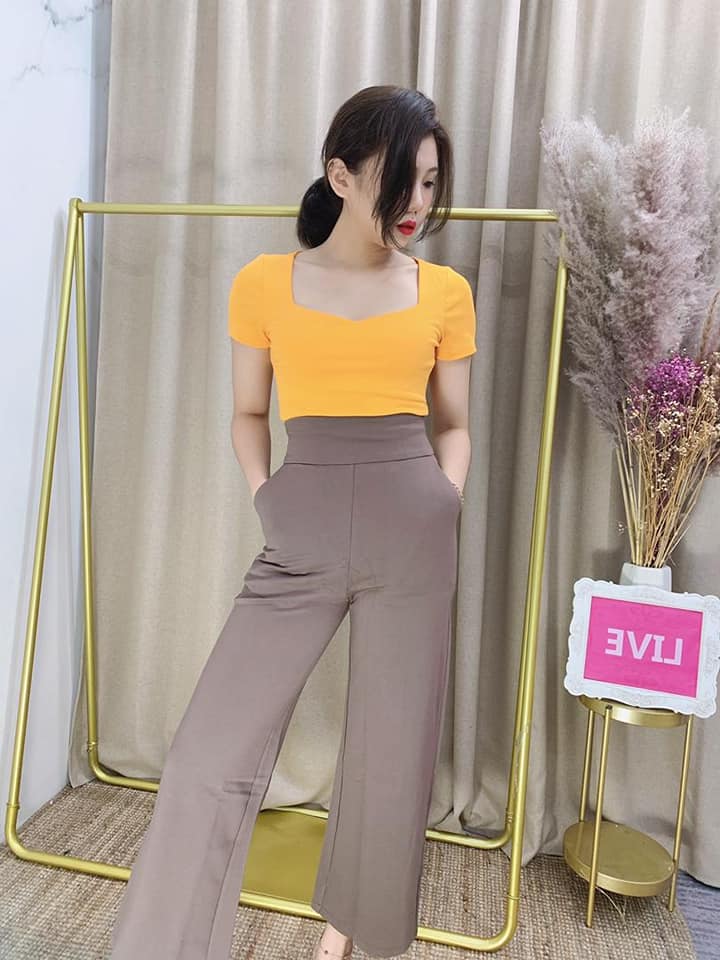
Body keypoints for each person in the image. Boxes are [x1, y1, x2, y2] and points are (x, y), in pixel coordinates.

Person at [109, 83, 476, 960]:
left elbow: (454, 424)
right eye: (401, 180)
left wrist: (447, 498)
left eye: (430, 183)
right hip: (300, 525)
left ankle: (341, 941)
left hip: (413, 532)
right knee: (206, 753)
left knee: (391, 758)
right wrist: (267, 495)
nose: (417, 203)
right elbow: (248, 413)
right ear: (340, 175)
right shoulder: (264, 283)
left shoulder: (444, 292)